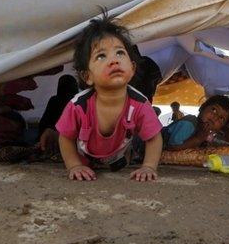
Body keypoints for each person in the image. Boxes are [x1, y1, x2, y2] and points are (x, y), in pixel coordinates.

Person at [56, 15, 163, 182]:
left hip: (121, 162)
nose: (114, 61)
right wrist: (74, 165)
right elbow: (66, 137)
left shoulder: (140, 104)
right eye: (101, 56)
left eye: (120, 53)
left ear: (132, 68)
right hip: (84, 159)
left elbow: (154, 138)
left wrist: (148, 166)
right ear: (87, 76)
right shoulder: (78, 105)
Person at [164, 95, 229, 150]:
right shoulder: (189, 123)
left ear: (221, 128)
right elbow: (171, 147)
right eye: (214, 110)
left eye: (221, 118)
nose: (215, 117)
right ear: (202, 108)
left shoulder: (204, 133)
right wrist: (198, 139)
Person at [37, 75, 79, 152]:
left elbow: (44, 123)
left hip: (56, 139)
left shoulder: (55, 100)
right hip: (65, 141)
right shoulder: (76, 101)